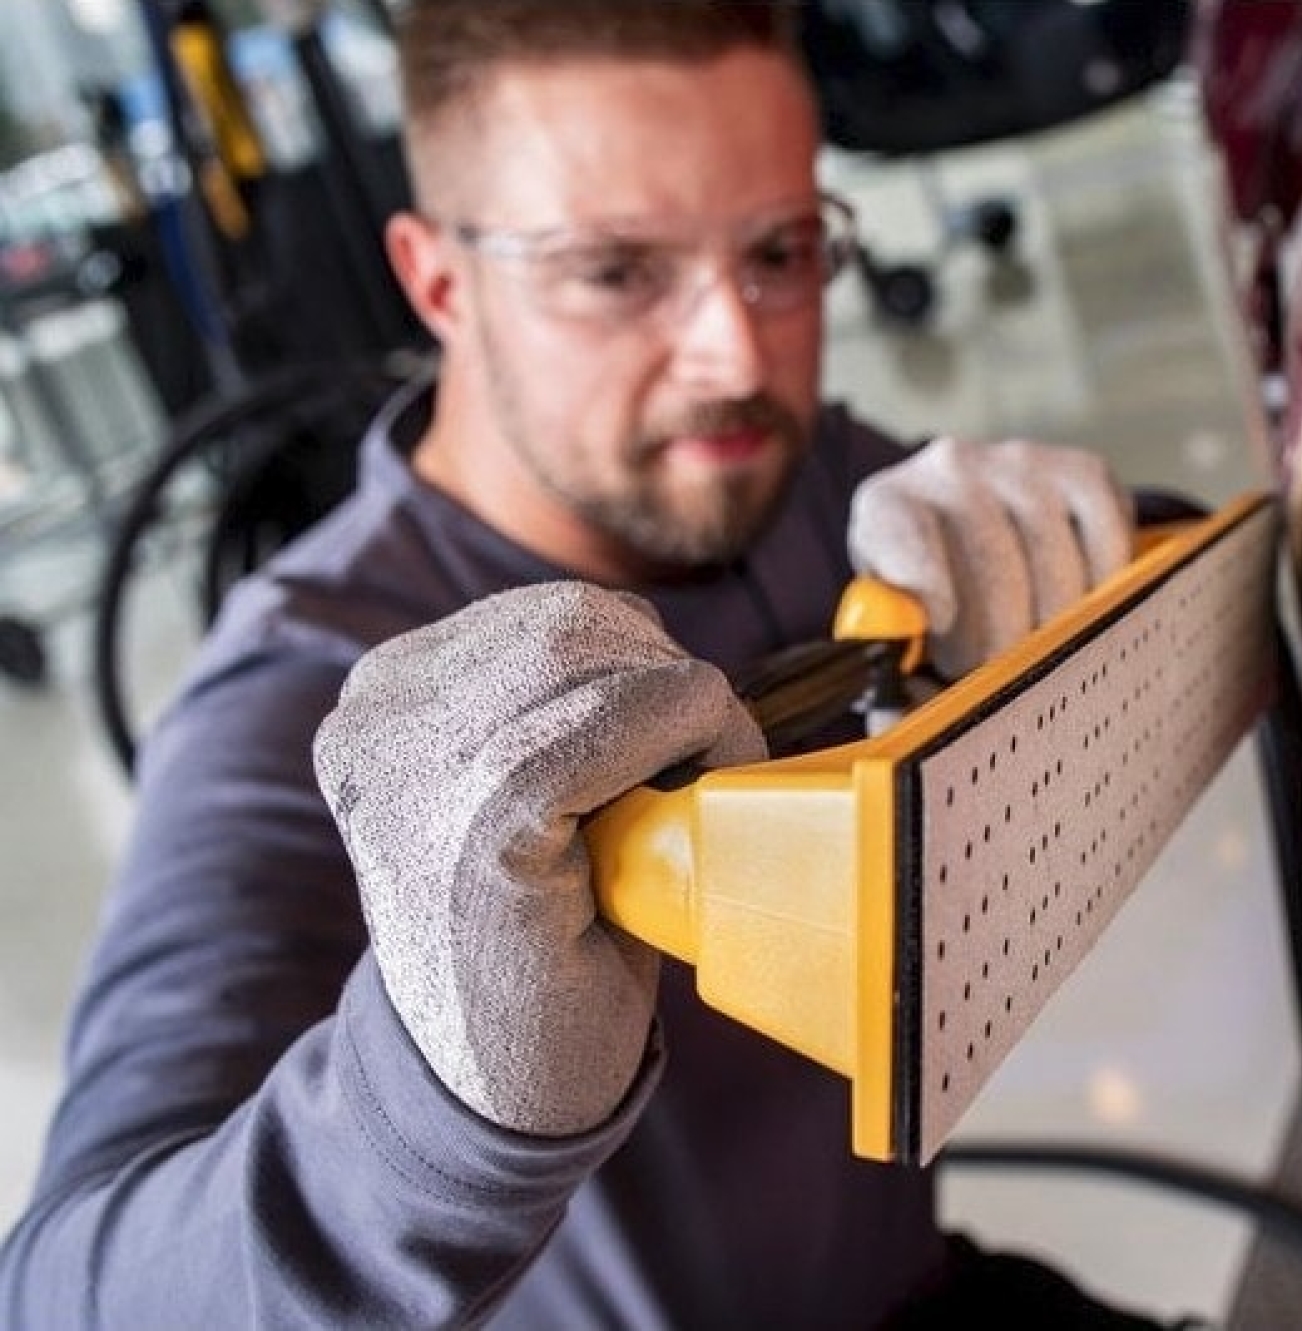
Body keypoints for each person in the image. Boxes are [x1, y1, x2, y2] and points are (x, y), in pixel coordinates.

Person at [0, 3, 1170, 1326]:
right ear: (440, 283)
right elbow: (63, 1297)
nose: (735, 352)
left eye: (781, 251)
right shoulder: (299, 692)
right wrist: (432, 1116)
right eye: (615, 270)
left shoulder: (791, 475)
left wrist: (1067, 539)